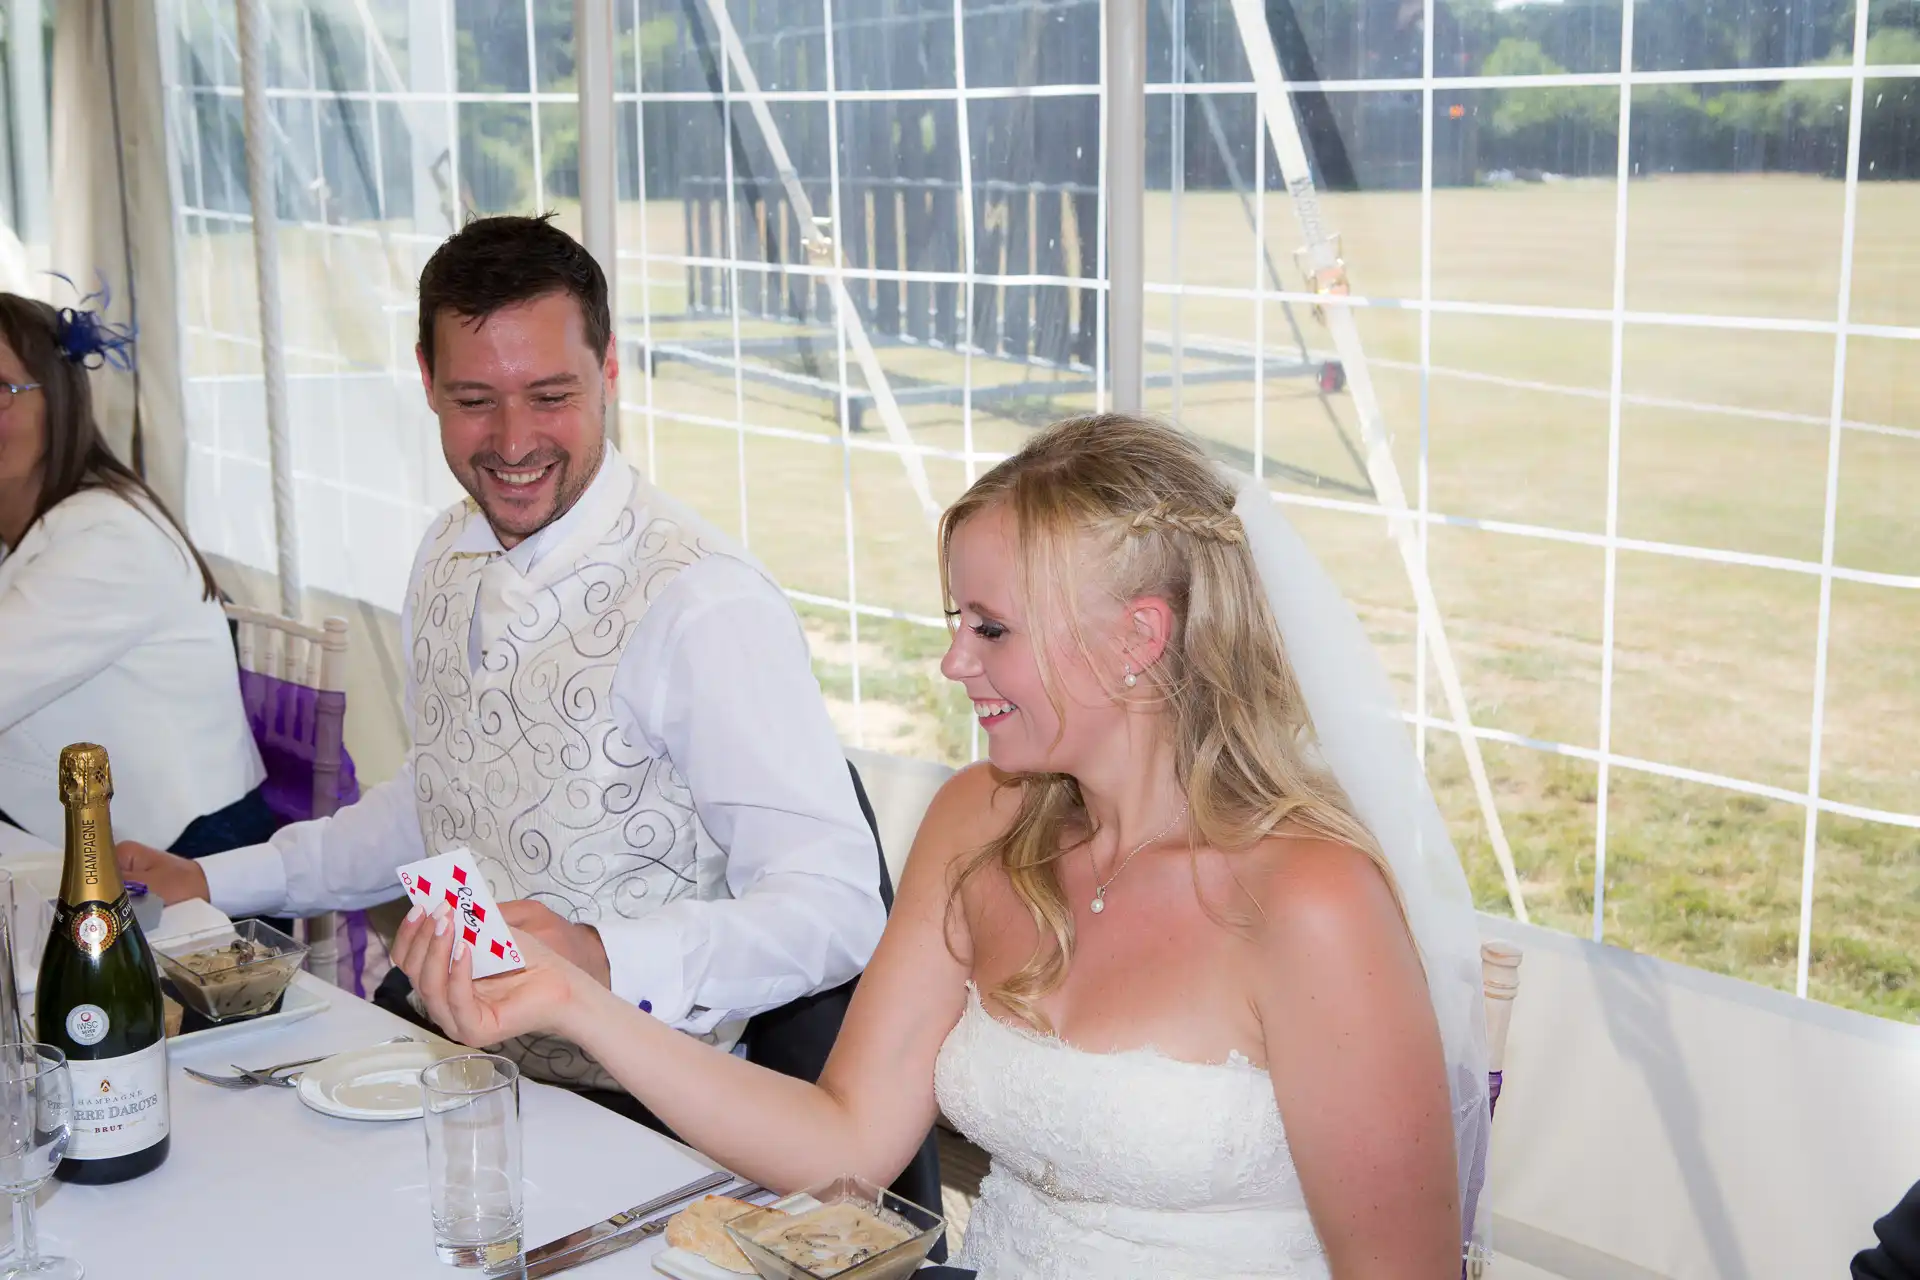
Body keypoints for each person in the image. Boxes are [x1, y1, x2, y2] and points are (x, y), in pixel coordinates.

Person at [395, 413, 1495, 1279]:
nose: (955, 663)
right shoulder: (981, 822)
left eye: (992, 628)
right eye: (956, 622)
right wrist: (575, 999)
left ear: (1137, 638)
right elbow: (843, 1142)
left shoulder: (1309, 900)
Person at [120, 215, 888, 1110]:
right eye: (475, 399)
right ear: (426, 381)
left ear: (609, 371)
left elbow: (837, 907)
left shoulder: (704, 604)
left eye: (551, 395)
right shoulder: (445, 550)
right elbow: (440, 797)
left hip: (644, 1106)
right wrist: (215, 878)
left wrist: (600, 956)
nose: (514, 442)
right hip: (453, 1054)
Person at [0, 289, 269, 854]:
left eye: (1, 390)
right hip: (56, 832)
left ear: (60, 399)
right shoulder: (20, 518)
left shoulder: (108, 539)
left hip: (184, 856)